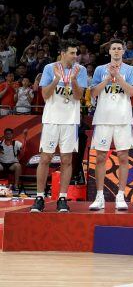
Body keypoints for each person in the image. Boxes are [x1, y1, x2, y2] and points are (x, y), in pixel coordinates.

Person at [32, 40, 87, 213]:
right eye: (72, 53)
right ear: (63, 53)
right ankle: (39, 197)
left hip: (70, 121)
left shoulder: (81, 70)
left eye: (76, 53)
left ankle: (62, 198)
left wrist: (74, 81)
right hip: (51, 120)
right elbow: (45, 95)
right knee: (45, 158)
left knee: (66, 160)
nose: (75, 56)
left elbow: (79, 96)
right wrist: (57, 79)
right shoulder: (50, 68)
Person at [89, 40, 133, 211]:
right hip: (103, 118)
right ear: (109, 51)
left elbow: (132, 92)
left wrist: (117, 76)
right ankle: (99, 196)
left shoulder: (130, 70)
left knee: (123, 158)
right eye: (114, 49)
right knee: (101, 158)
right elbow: (93, 93)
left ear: (123, 51)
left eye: (119, 48)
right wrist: (108, 78)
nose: (117, 51)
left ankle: (120, 196)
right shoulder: (99, 69)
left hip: (123, 119)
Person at [0, 128, 26, 194]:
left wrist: (25, 137)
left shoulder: (16, 143)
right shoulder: (0, 143)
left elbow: (23, 147)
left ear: (12, 135)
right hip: (2, 164)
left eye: (10, 134)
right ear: (4, 135)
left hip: (12, 165)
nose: (8, 135)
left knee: (18, 166)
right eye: (7, 134)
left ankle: (16, 185)